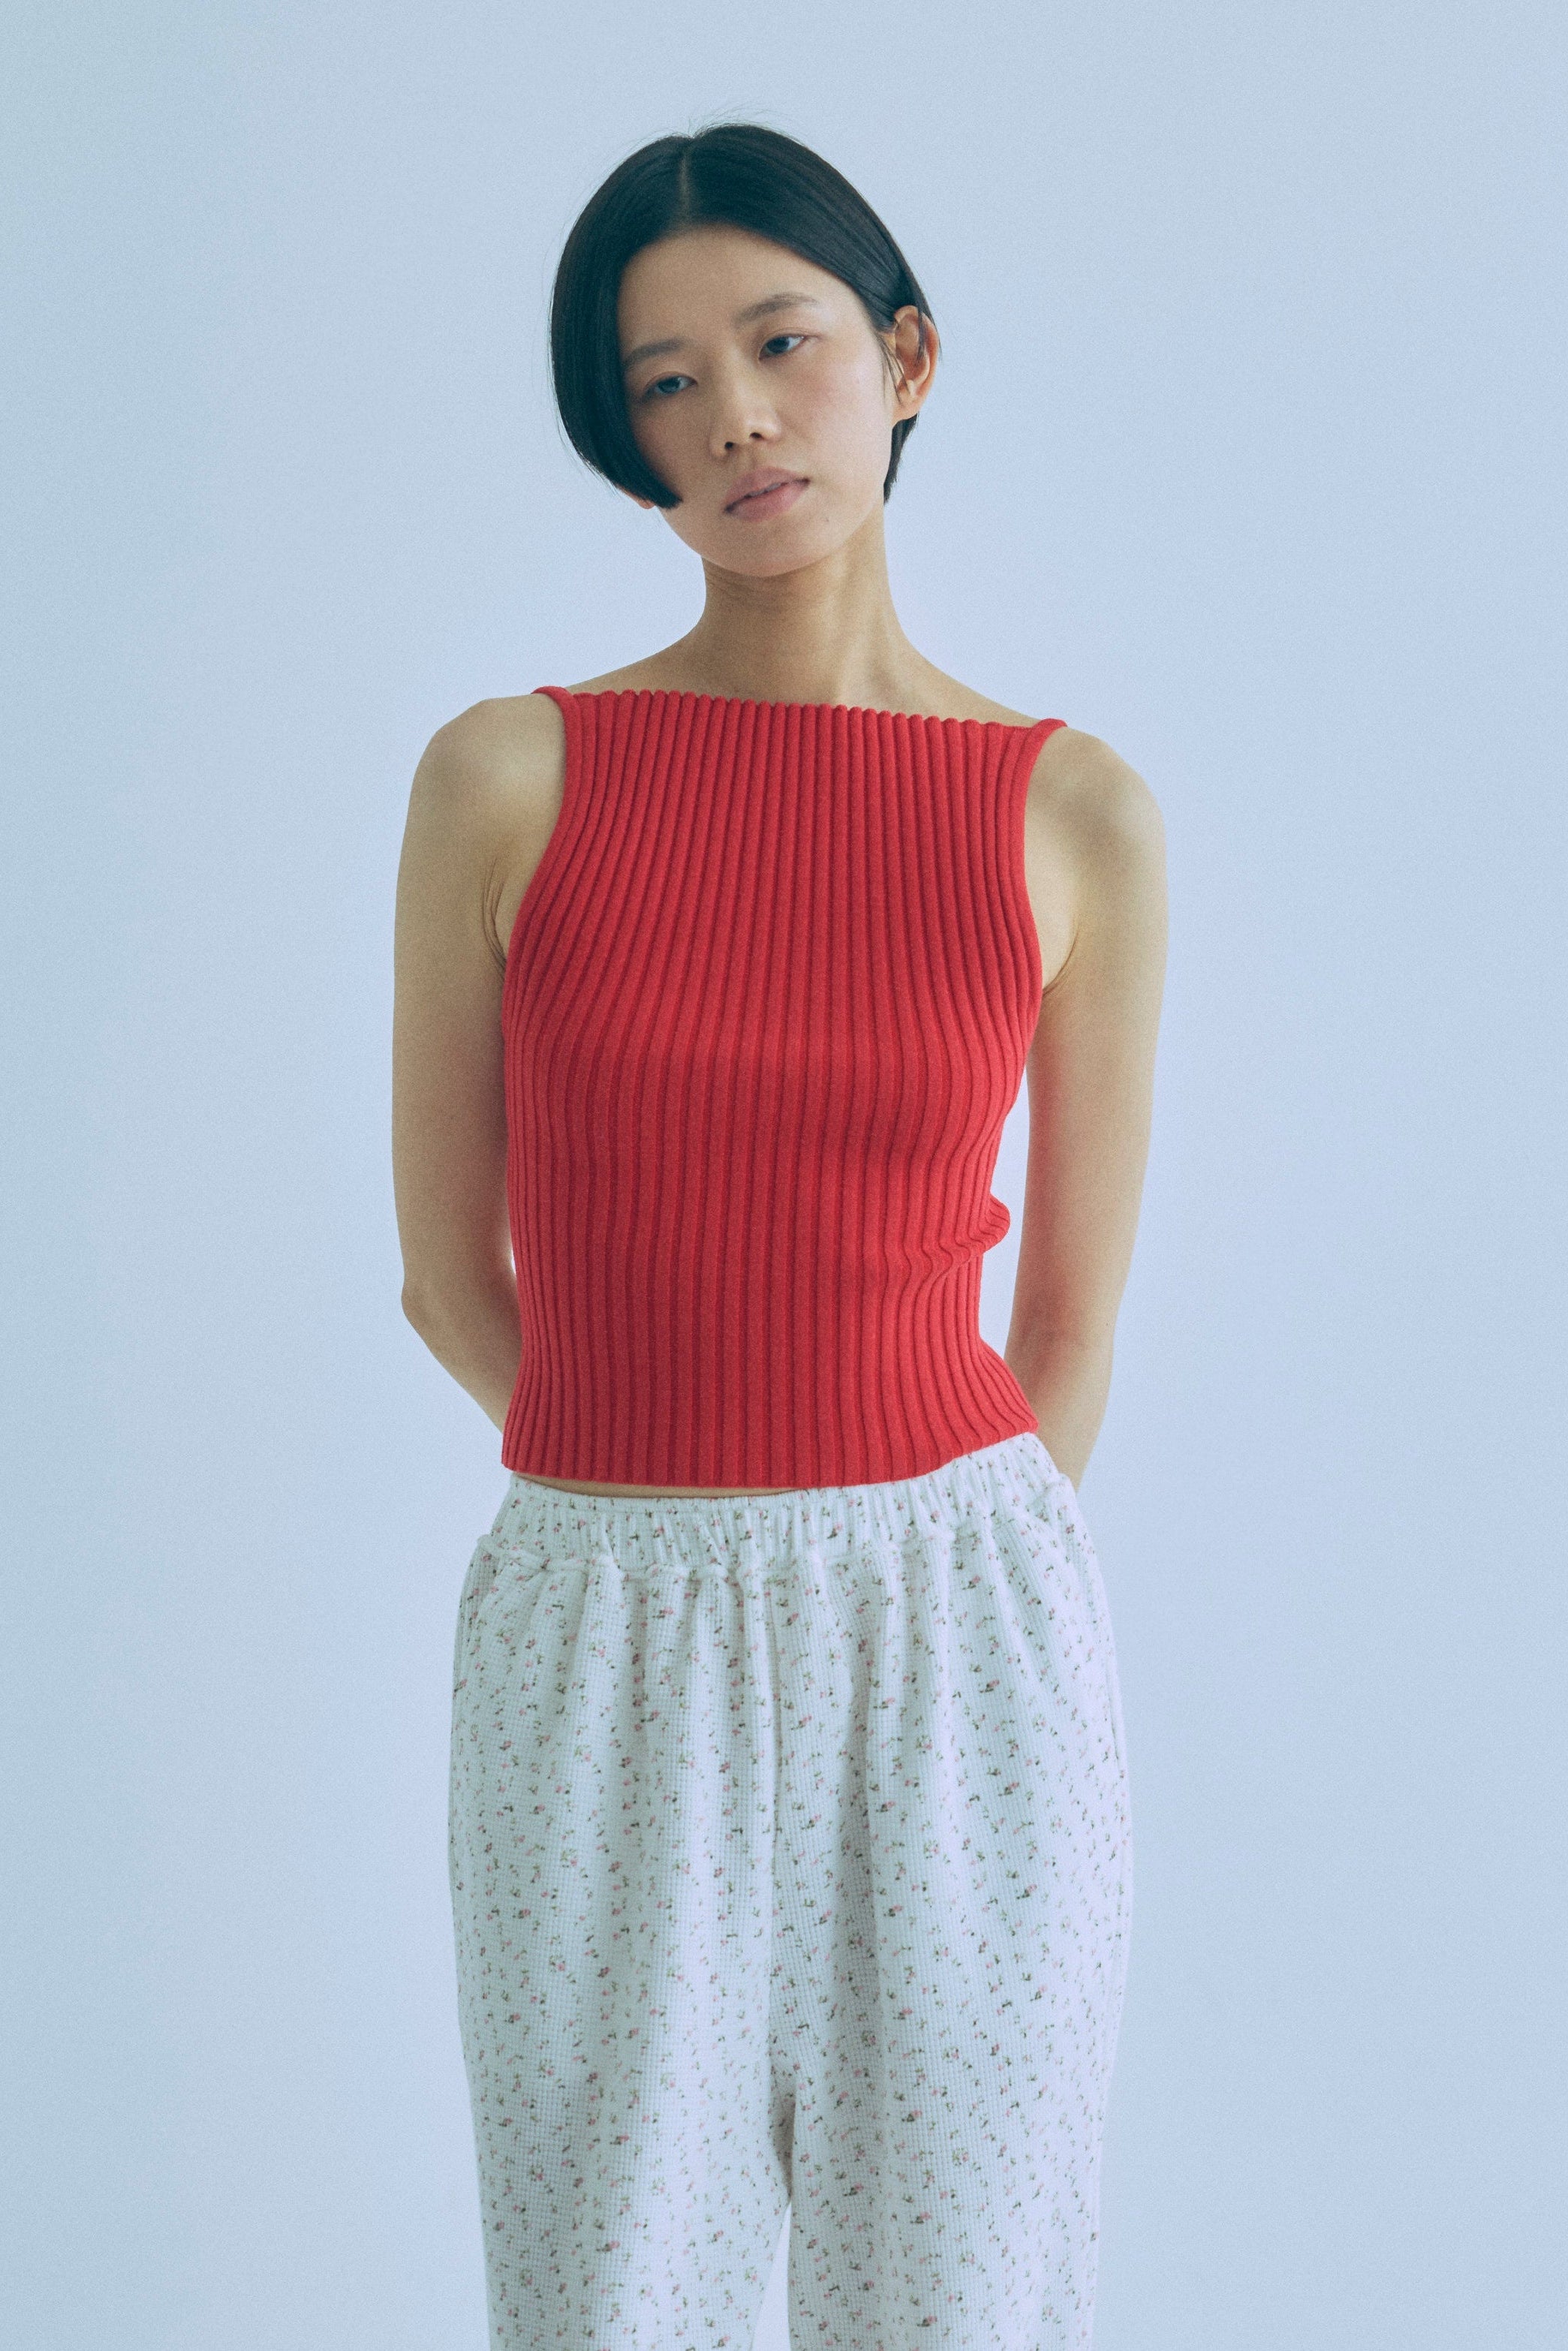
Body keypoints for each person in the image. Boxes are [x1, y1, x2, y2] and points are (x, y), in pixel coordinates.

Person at [392, 119, 1166, 2351]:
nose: (733, 415)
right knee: (607, 2299)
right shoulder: (508, 778)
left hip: (961, 1638)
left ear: (902, 359)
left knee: (965, 2301)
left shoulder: (1071, 811)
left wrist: (918, 1562)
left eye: (780, 344)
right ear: (622, 437)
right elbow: (447, 1273)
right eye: (663, 382)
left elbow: (1069, 1326)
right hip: (602, 1623)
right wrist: (655, 1489)